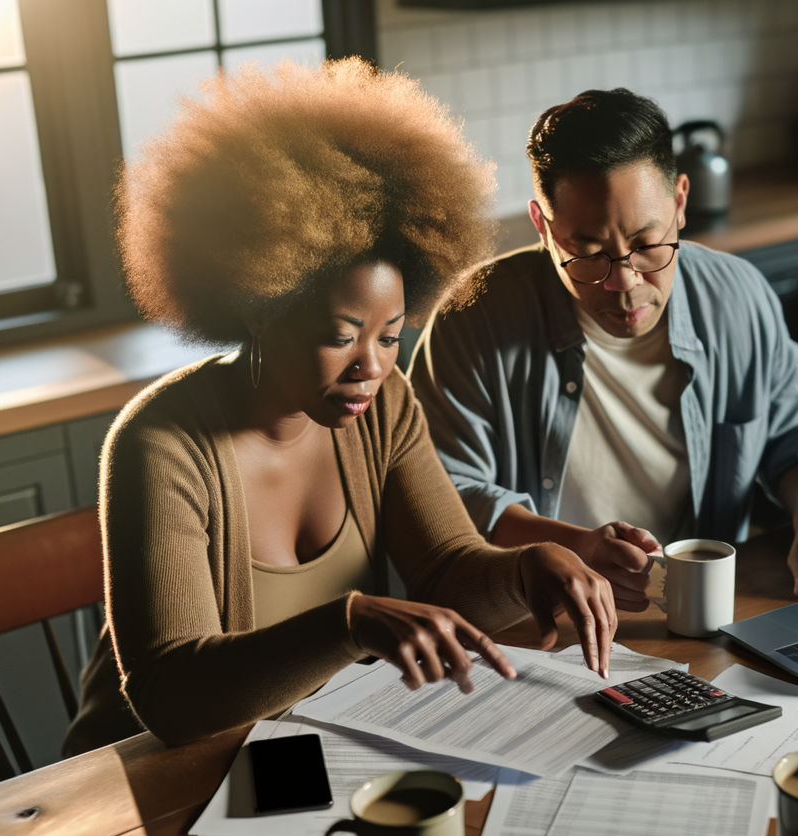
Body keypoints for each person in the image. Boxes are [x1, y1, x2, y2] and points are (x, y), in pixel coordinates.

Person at [63, 60, 617, 757]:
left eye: (390, 336)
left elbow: (446, 571)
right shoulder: (162, 445)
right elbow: (171, 696)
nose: (370, 367)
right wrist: (348, 624)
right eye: (339, 336)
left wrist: (526, 566)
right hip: (144, 779)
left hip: (292, 749)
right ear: (259, 311)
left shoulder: (384, 404)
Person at [409, 89, 798, 615]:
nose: (624, 282)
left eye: (646, 243)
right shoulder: (473, 316)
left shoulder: (737, 296)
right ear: (543, 228)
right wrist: (576, 548)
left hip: (699, 616)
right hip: (535, 621)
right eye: (588, 253)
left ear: (680, 202)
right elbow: (439, 496)